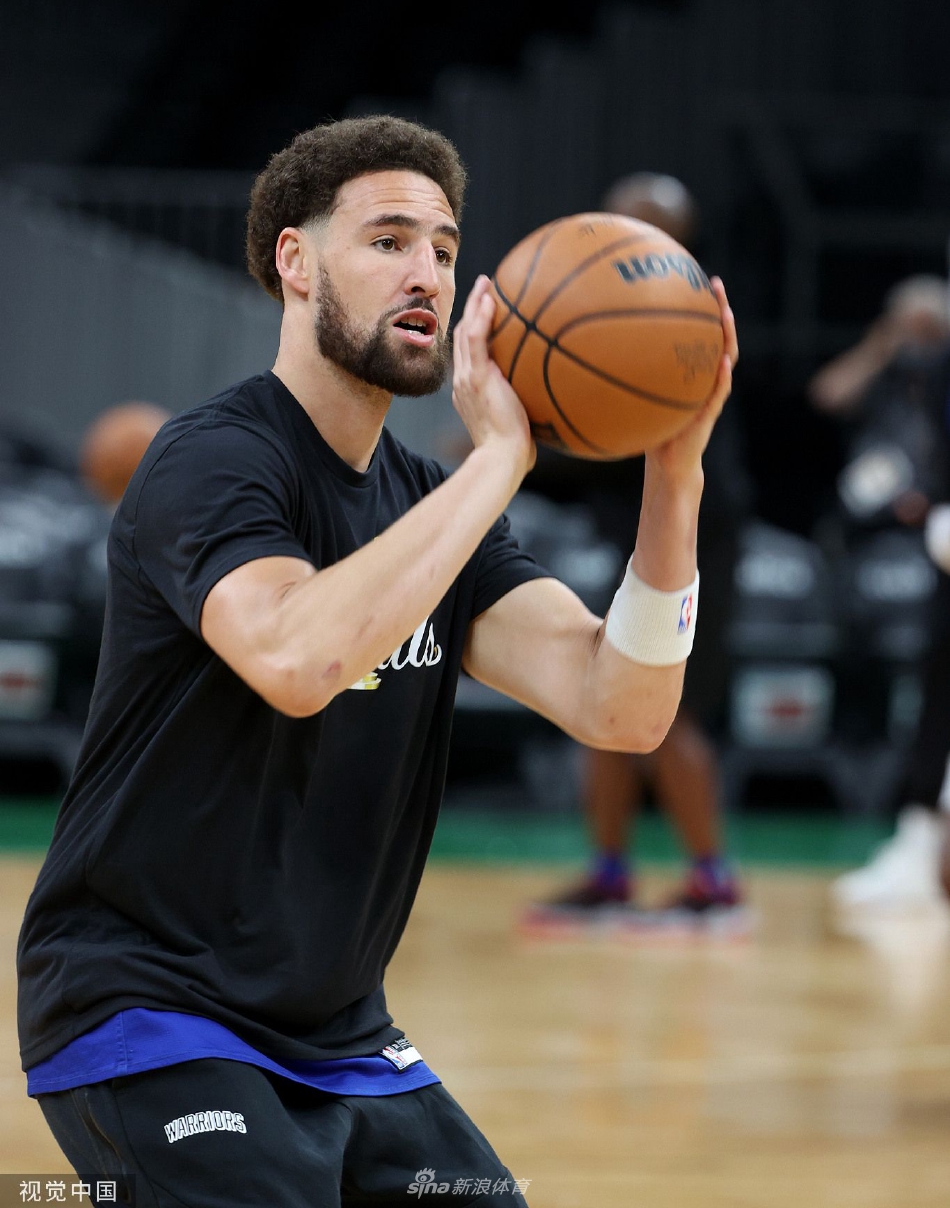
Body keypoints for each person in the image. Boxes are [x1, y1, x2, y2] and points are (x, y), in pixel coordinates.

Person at [16, 115, 737, 1206]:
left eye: (444, 250)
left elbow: (621, 706)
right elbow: (294, 655)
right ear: (295, 263)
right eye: (388, 241)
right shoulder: (213, 458)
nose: (426, 275)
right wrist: (498, 460)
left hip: (342, 1034)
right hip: (149, 1007)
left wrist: (674, 474)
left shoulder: (432, 506)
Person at [524, 172, 754, 933]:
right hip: (626, 522)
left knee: (667, 709)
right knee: (605, 693)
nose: (617, 228)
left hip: (694, 528)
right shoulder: (597, 299)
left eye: (639, 221)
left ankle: (713, 881)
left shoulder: (681, 313)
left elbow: (618, 432)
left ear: (673, 238)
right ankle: (610, 872)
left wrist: (518, 447)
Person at [809, 275, 950, 911]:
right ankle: (915, 843)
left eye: (931, 329)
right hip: (876, 549)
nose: (922, 340)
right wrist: (885, 342)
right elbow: (827, 393)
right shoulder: (892, 375)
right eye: (911, 326)